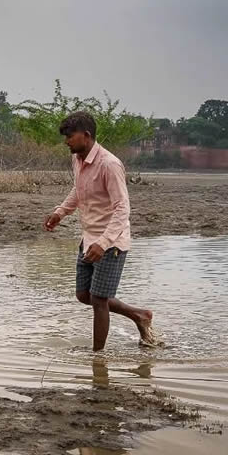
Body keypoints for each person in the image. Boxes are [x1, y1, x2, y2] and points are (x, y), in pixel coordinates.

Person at [44, 111, 158, 350]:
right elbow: (79, 189)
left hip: (111, 242)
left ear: (86, 135)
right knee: (84, 295)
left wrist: (104, 243)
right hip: (89, 238)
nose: (66, 141)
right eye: (65, 136)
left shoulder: (109, 164)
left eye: (70, 136)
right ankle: (139, 315)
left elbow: (122, 208)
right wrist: (60, 212)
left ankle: (98, 358)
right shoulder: (77, 159)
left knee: (98, 300)